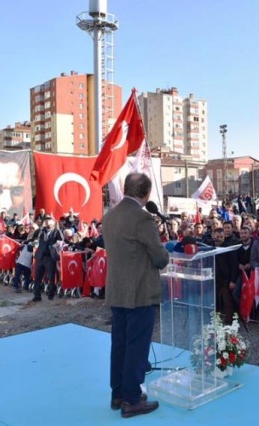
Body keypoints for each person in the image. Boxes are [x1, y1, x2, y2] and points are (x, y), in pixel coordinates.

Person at [103, 173, 169, 418]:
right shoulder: (142, 218)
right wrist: (165, 250)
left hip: (117, 291)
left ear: (125, 188)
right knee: (137, 347)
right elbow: (160, 258)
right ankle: (132, 400)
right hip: (139, 291)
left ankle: (118, 394)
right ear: (147, 194)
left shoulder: (109, 216)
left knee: (119, 344)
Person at [32, 218, 63, 301]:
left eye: (49, 222)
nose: (47, 224)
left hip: (50, 257)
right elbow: (36, 236)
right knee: (37, 277)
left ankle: (51, 294)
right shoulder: (42, 231)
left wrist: (58, 229)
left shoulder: (56, 232)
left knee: (51, 277)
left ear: (53, 224)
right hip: (41, 257)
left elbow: (62, 239)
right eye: (46, 222)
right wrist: (42, 227)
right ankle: (37, 296)